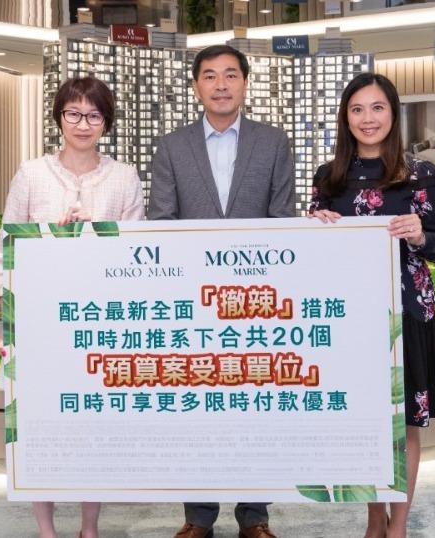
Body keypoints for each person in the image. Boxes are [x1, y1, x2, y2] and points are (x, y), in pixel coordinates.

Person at [148, 45, 295, 538]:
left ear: (245, 83)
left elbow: (282, 219)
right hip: (193, 300)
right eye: (210, 76)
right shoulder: (172, 146)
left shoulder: (273, 142)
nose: (221, 85)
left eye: (231, 75)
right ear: (196, 87)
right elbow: (162, 222)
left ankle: (256, 515)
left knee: (258, 402)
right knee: (197, 404)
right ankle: (198, 516)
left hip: (257, 299)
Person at [0, 76, 145, 538]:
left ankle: (90, 527)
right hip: (38, 324)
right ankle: (46, 528)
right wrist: (6, 323)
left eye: (94, 115)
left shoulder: (124, 178)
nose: (83, 124)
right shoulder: (31, 174)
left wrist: (97, 231)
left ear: (106, 122)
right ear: (59, 117)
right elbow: (5, 248)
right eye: (73, 113)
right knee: (37, 425)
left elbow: (137, 251)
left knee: (92, 426)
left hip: (99, 323)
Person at [309, 72, 435, 538]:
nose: (367, 118)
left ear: (393, 113)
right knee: (365, 421)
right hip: (351, 316)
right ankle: (374, 518)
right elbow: (315, 254)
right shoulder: (329, 177)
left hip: (408, 314)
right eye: (357, 109)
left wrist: (419, 234)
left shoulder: (420, 173)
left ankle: (399, 526)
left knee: (405, 424)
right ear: (345, 117)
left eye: (377, 107)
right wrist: (315, 226)